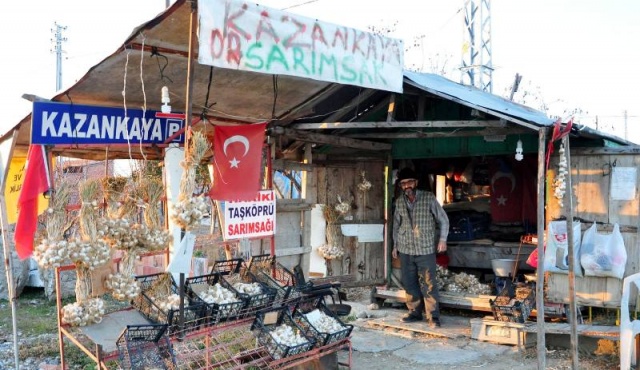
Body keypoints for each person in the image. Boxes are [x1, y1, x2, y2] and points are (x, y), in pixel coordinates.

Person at [392, 167, 449, 328]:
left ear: (416, 182)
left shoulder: (428, 198)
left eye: (409, 182)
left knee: (429, 283)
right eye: (403, 183)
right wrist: (395, 245)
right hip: (406, 248)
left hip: (425, 248)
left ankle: (433, 316)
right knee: (409, 283)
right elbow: (396, 226)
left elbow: (444, 220)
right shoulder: (399, 201)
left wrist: (442, 240)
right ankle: (414, 312)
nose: (407, 186)